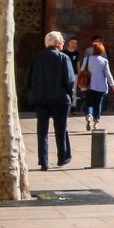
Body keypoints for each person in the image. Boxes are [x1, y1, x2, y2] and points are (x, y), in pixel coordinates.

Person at [25, 32, 77, 169]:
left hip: (40, 98)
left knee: (42, 130)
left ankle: (43, 161)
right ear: (56, 43)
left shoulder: (36, 58)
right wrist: (69, 95)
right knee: (61, 128)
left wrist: (32, 93)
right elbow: (70, 80)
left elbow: (28, 79)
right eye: (62, 41)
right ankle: (63, 157)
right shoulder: (63, 58)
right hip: (60, 98)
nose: (63, 43)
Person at [78, 40, 114, 130]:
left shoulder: (87, 59)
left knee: (89, 102)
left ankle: (89, 116)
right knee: (98, 104)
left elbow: (82, 70)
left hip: (89, 85)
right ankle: (96, 123)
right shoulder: (104, 61)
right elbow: (108, 74)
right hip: (100, 86)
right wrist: (113, 85)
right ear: (101, 50)